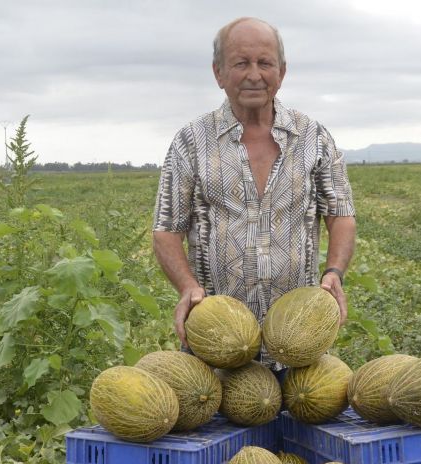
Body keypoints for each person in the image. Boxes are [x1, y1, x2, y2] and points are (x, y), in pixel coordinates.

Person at [152, 16, 356, 369]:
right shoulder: (191, 141)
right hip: (217, 344)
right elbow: (166, 229)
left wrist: (333, 273)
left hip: (297, 341)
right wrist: (188, 287)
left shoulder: (313, 136)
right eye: (241, 63)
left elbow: (341, 215)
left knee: (303, 410)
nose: (254, 74)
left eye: (265, 63)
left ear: (282, 71)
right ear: (218, 73)